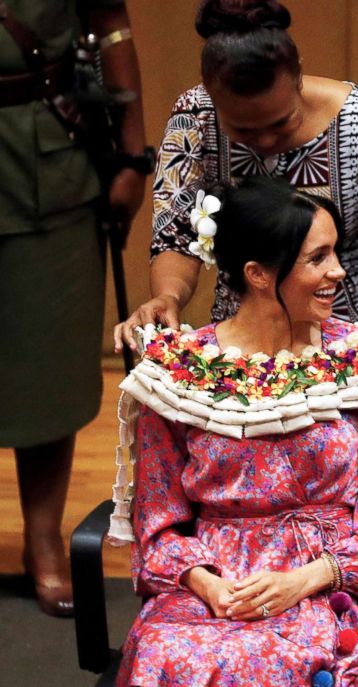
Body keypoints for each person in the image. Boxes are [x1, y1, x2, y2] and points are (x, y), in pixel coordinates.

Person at [114, 176, 358, 686]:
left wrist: (306, 579)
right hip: (213, 590)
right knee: (169, 655)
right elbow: (157, 517)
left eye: (335, 253)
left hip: (327, 582)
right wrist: (207, 585)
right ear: (258, 274)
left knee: (281, 665)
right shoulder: (180, 375)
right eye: (317, 258)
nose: (339, 271)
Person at [114, 0, 358, 354]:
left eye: (281, 122)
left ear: (298, 74)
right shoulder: (194, 120)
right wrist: (168, 295)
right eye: (242, 129)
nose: (266, 143)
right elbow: (176, 240)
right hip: (243, 347)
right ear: (210, 93)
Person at [0, 0, 148, 616]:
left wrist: (135, 157)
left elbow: (111, 25)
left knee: (49, 366)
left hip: (46, 170)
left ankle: (43, 539)